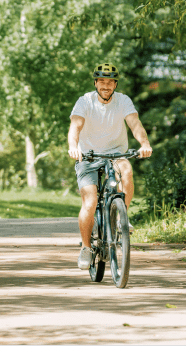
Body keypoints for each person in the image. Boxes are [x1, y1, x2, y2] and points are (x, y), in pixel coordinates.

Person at [68, 62, 152, 270]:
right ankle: (86, 248)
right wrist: (73, 147)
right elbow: (75, 126)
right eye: (102, 81)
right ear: (96, 83)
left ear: (115, 85)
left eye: (110, 82)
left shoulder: (123, 101)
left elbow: (135, 124)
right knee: (90, 200)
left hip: (116, 153)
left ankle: (121, 218)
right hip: (88, 156)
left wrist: (144, 143)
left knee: (127, 170)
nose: (106, 86)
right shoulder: (85, 101)